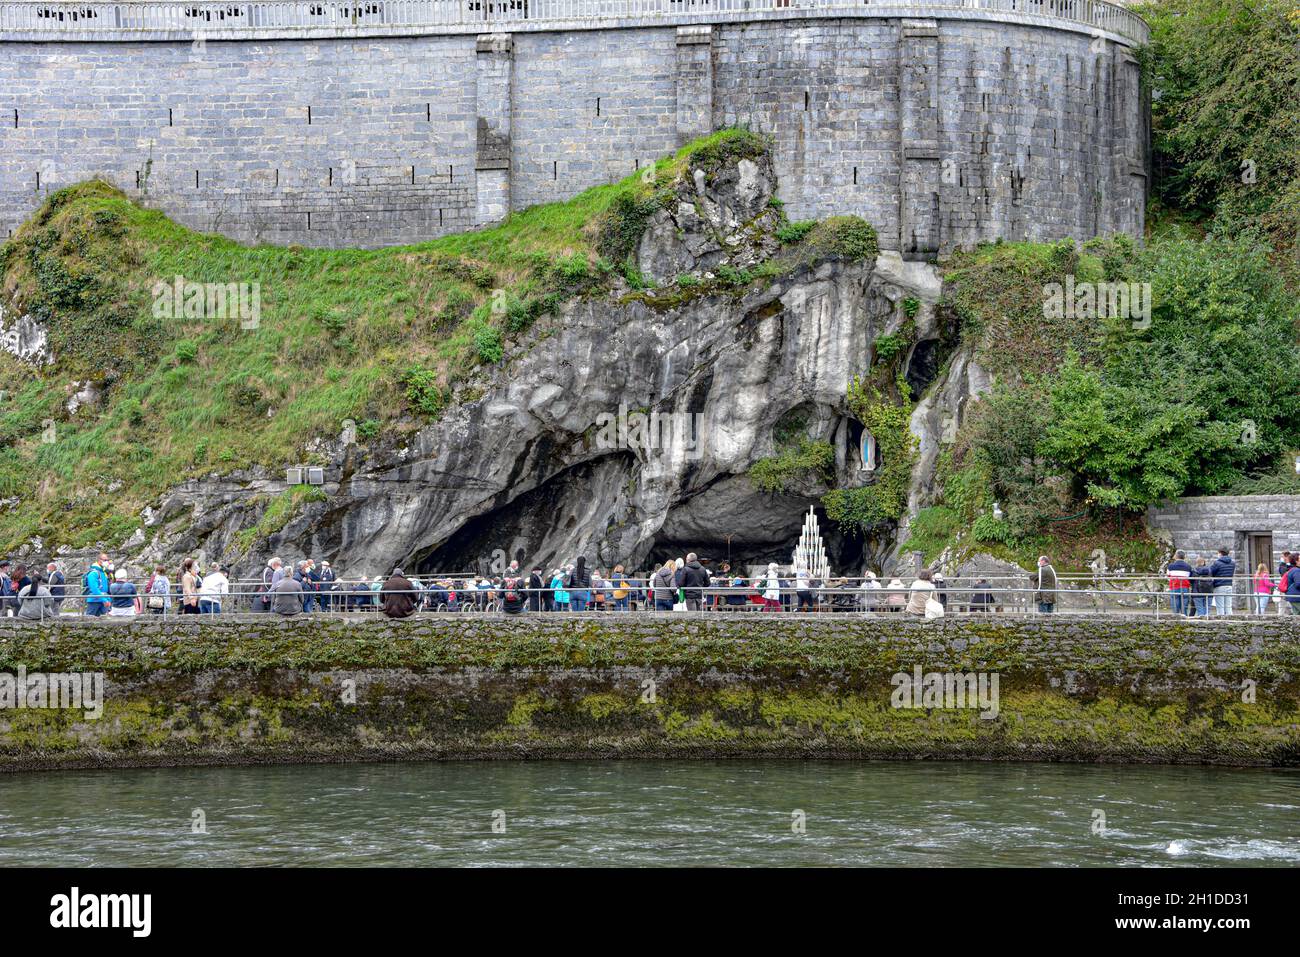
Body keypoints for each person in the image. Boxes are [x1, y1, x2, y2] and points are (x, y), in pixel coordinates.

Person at [1209, 548, 1236, 616]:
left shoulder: (1217, 563)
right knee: (1228, 606)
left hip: (1219, 585)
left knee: (1220, 606)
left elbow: (1210, 572)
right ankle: (1230, 621)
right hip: (1229, 585)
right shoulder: (1232, 563)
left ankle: (1221, 621)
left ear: (1220, 553)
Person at [1166, 550, 1194, 617]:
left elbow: (1168, 576)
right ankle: (1185, 620)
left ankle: (1176, 619)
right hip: (1185, 588)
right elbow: (1190, 577)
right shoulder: (1188, 567)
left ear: (1176, 556)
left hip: (1174, 587)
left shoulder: (1170, 566)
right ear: (1184, 557)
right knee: (1184, 607)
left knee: (1175, 606)